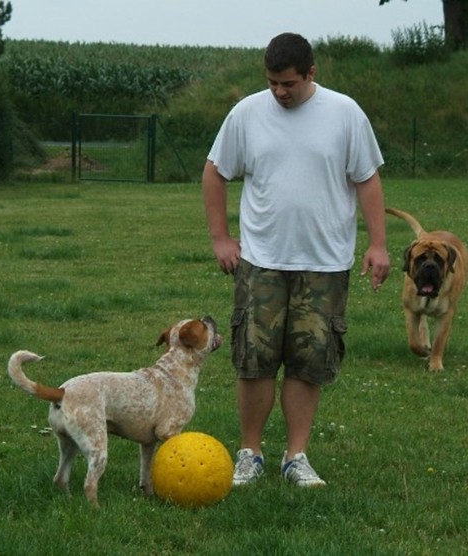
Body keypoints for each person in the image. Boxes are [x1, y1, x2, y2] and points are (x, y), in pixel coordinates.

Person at [201, 32, 390, 487]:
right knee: (255, 359)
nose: (280, 93)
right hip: (262, 260)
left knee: (309, 361)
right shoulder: (246, 113)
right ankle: (250, 454)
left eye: (288, 83)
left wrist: (378, 245)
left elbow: (367, 180)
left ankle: (296, 457)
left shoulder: (345, 114)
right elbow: (215, 172)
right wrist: (221, 237)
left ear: (311, 74)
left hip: (325, 263)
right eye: (272, 83)